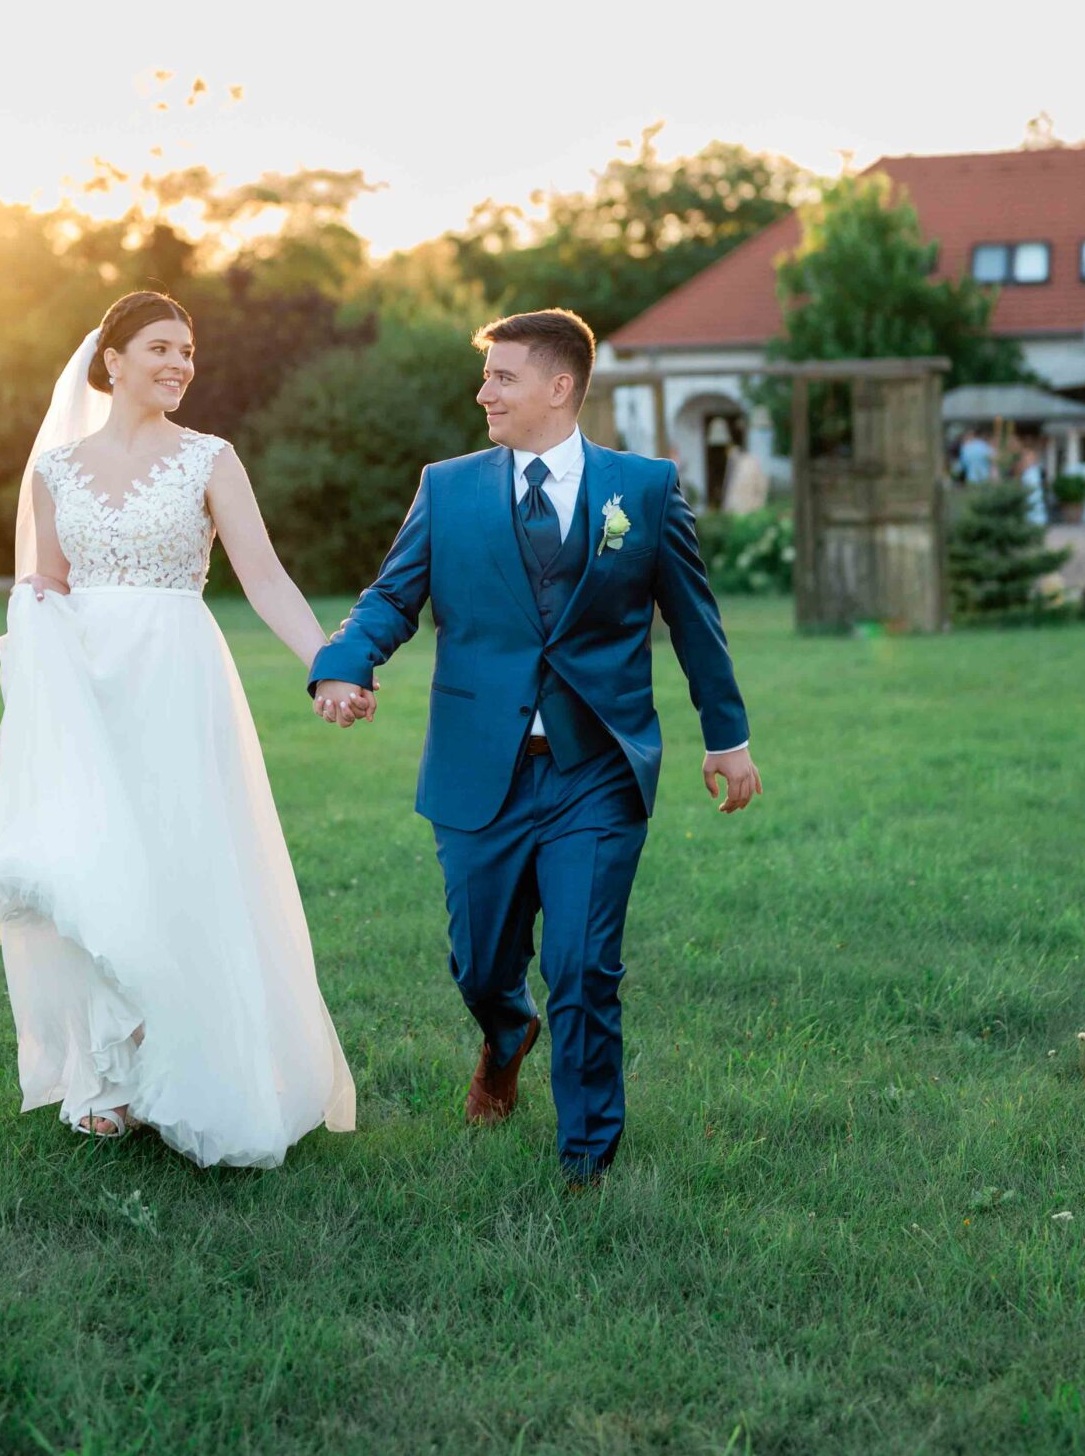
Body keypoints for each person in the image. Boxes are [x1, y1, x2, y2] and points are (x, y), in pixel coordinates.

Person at [309, 308, 760, 1189]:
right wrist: (343, 664)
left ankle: (586, 1162)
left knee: (583, 966)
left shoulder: (644, 489)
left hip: (597, 766)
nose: (483, 393)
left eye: (501, 377)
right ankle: (507, 1028)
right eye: (486, 377)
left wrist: (726, 739)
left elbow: (692, 620)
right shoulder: (447, 488)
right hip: (478, 765)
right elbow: (391, 597)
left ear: (559, 387)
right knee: (481, 965)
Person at [0, 292, 355, 1167]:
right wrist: (37, 627)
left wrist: (326, 662)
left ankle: (198, 1074)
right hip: (84, 688)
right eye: (161, 349)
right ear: (113, 361)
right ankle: (110, 1079)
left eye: (187, 351)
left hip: (175, 676)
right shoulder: (54, 470)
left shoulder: (209, 458)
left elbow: (264, 578)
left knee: (180, 859)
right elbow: (46, 582)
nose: (179, 365)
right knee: (98, 864)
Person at [1016, 440, 1049, 530]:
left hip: (1034, 500)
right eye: (1024, 458)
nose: (1026, 460)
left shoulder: (1034, 471)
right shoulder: (1026, 472)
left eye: (1028, 457)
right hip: (1028, 501)